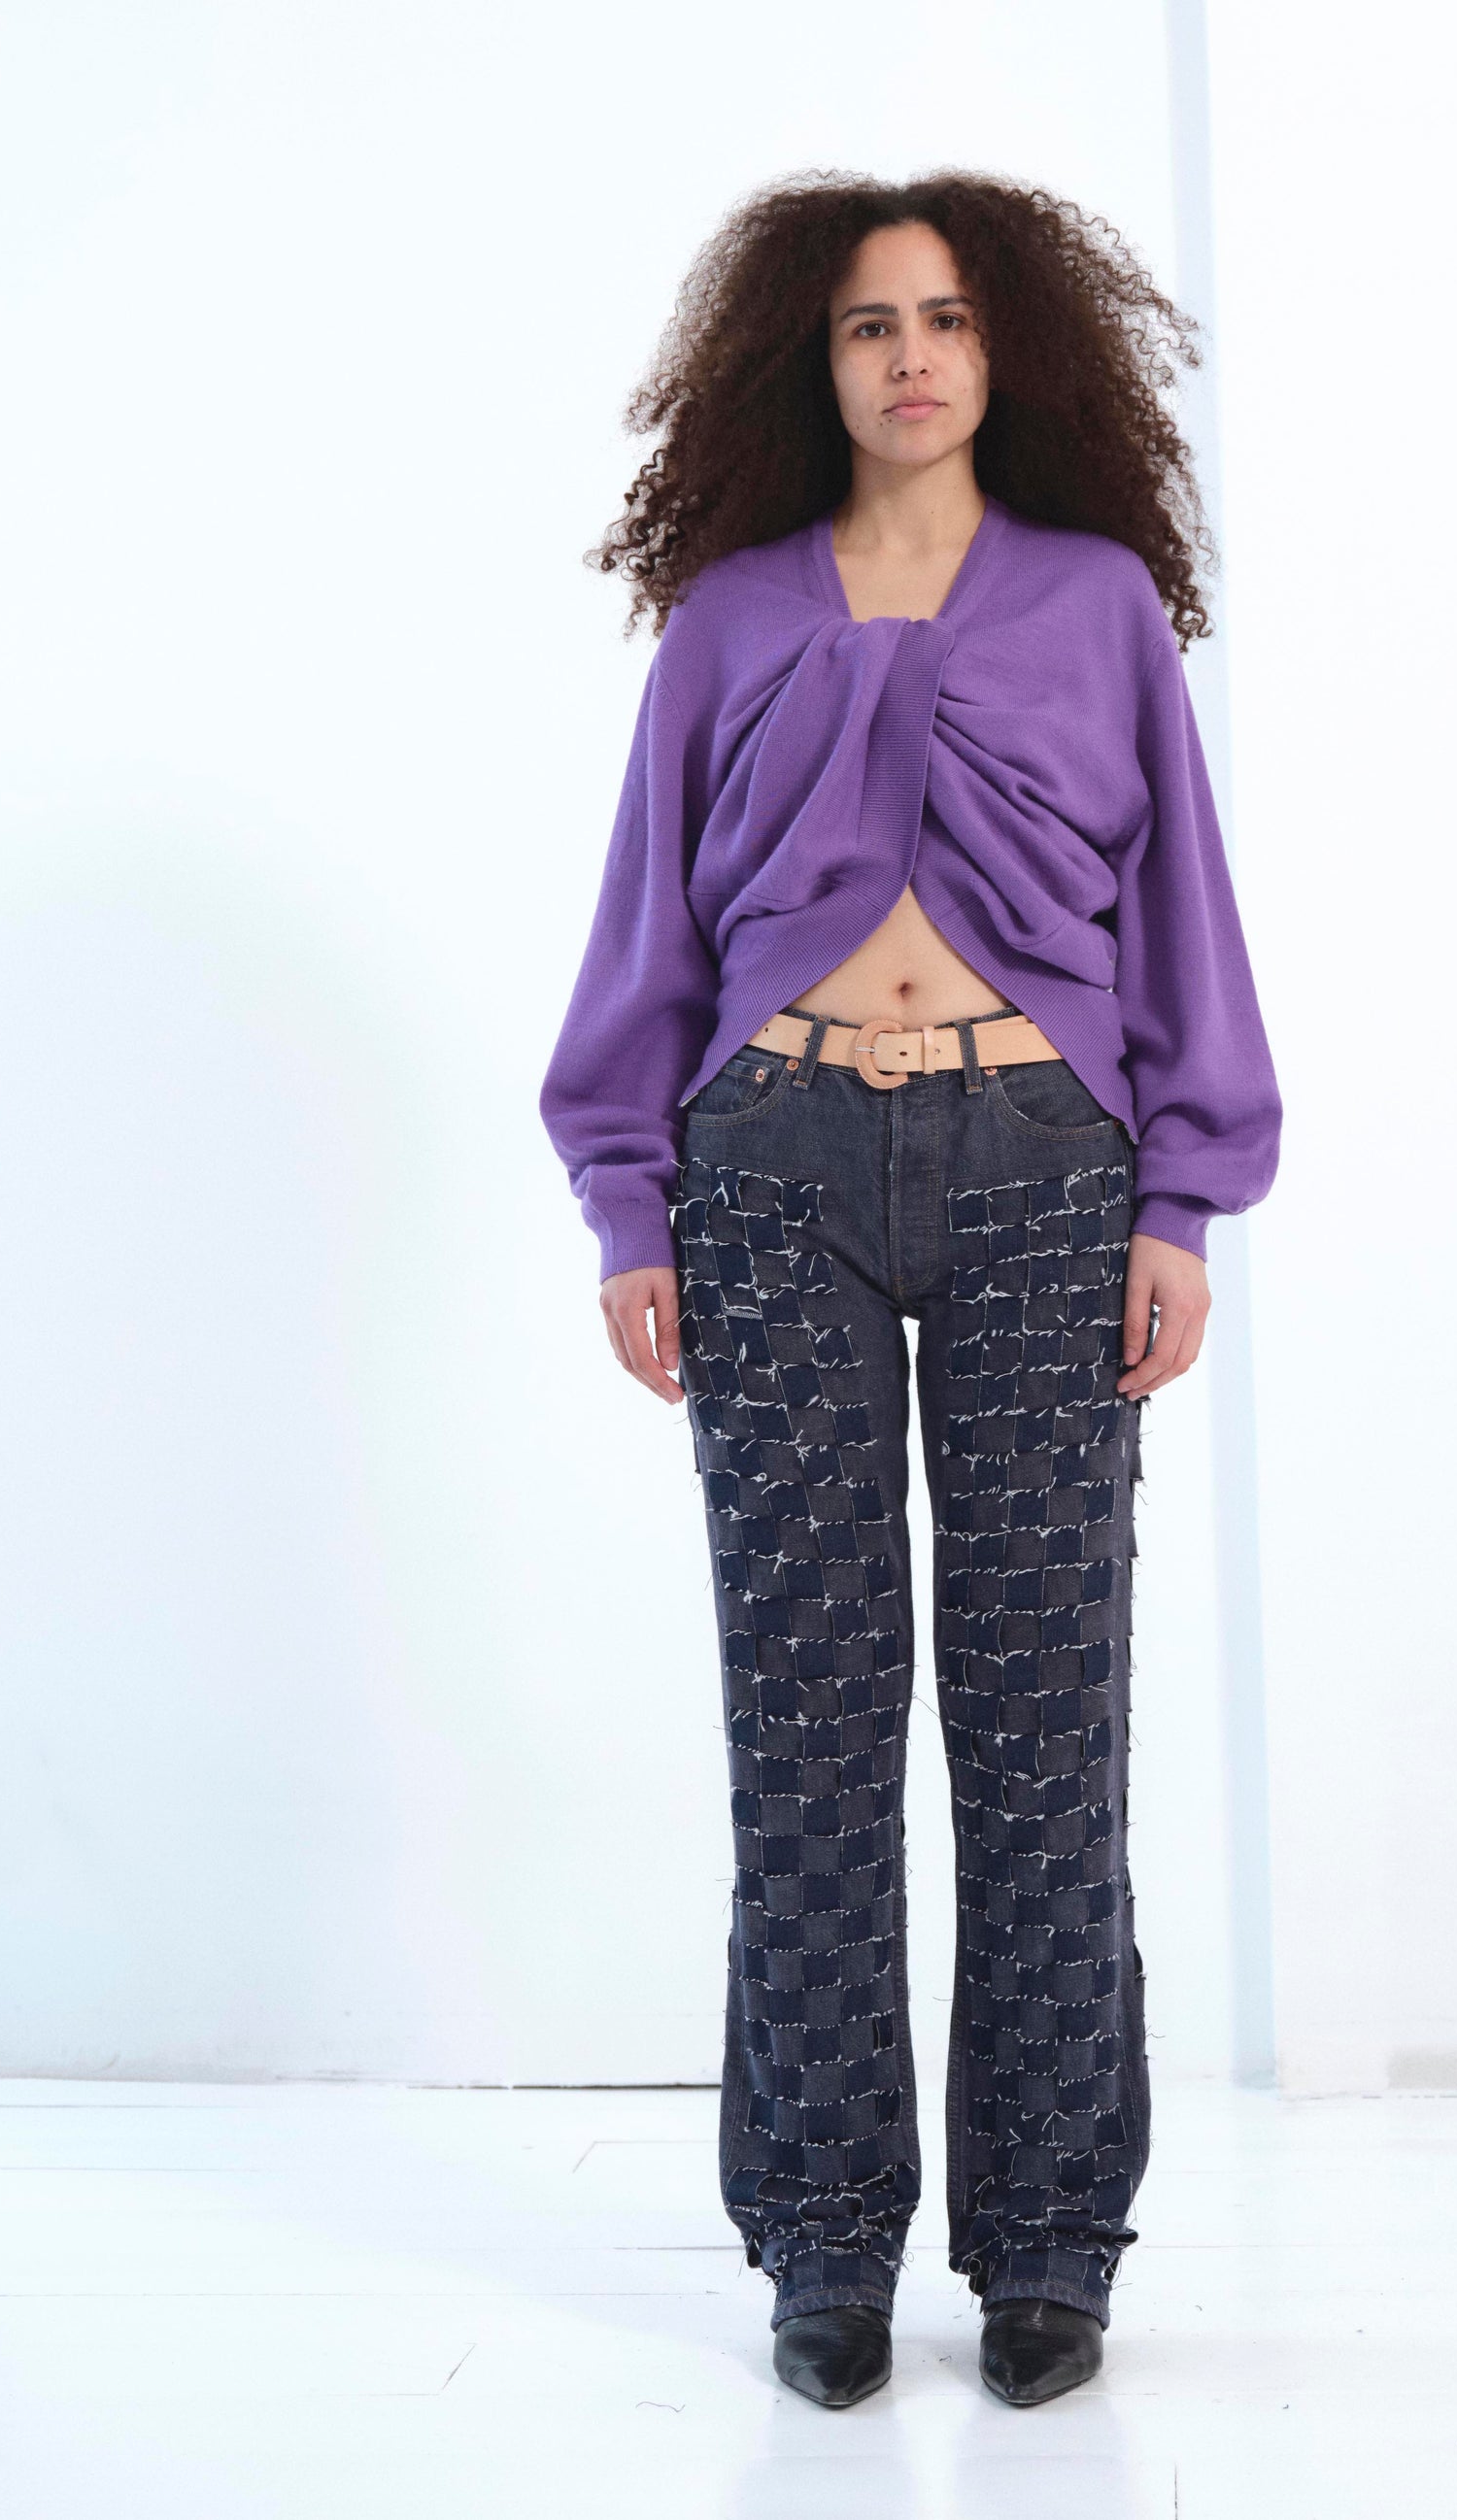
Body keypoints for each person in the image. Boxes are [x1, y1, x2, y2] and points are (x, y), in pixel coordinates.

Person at [539, 172, 1282, 2411]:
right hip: (767, 1169)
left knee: (1048, 1731)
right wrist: (628, 1203)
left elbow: (1184, 928)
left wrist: (1182, 1200)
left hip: (1048, 1170)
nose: (911, 355)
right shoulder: (727, 617)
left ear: (1005, 347)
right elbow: (645, 932)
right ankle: (824, 2239)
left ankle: (1047, 2242)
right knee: (808, 1722)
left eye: (946, 316)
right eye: (869, 322)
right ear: (814, 358)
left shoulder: (1098, 605)